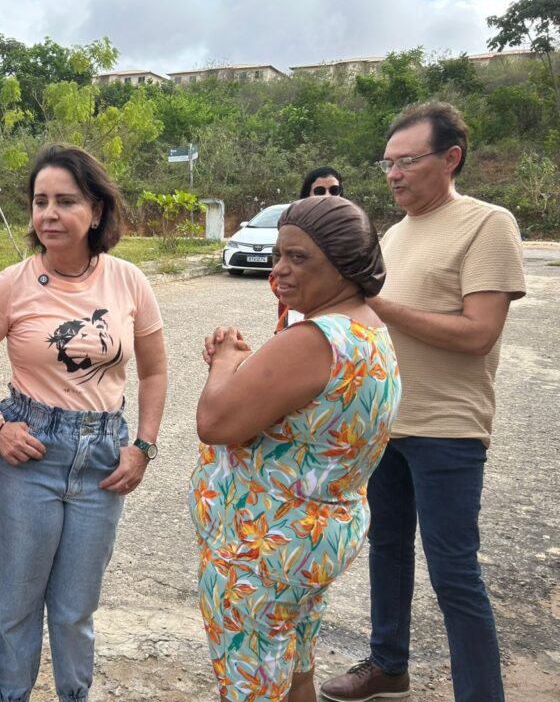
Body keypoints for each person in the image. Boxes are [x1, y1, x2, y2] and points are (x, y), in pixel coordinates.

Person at [320, 103, 525, 702]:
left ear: (450, 159)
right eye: (387, 163)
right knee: (386, 550)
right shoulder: (393, 234)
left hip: (448, 428)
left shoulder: (488, 224)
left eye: (407, 160)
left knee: (454, 572)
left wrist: (382, 308)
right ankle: (389, 665)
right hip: (385, 425)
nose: (393, 174)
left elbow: (478, 332)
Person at [0, 144, 168, 702]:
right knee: (19, 603)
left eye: (65, 201)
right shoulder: (11, 283)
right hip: (27, 453)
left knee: (75, 608)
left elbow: (154, 373)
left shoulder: (128, 282)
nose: (48, 213)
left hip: (103, 454)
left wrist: (142, 445)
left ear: (96, 210)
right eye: (40, 201)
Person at [192, 194, 401, 702]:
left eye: (299, 257)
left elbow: (215, 421)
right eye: (279, 254)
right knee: (295, 670)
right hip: (311, 542)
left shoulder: (313, 340)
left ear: (346, 265)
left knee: (251, 688)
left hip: (262, 554)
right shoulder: (368, 332)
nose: (279, 270)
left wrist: (224, 361)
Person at [271, 167, 345, 333]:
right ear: (307, 195)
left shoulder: (352, 231)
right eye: (319, 191)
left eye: (334, 190)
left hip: (339, 320)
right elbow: (276, 274)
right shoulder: (292, 226)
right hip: (297, 315)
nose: (327, 196)